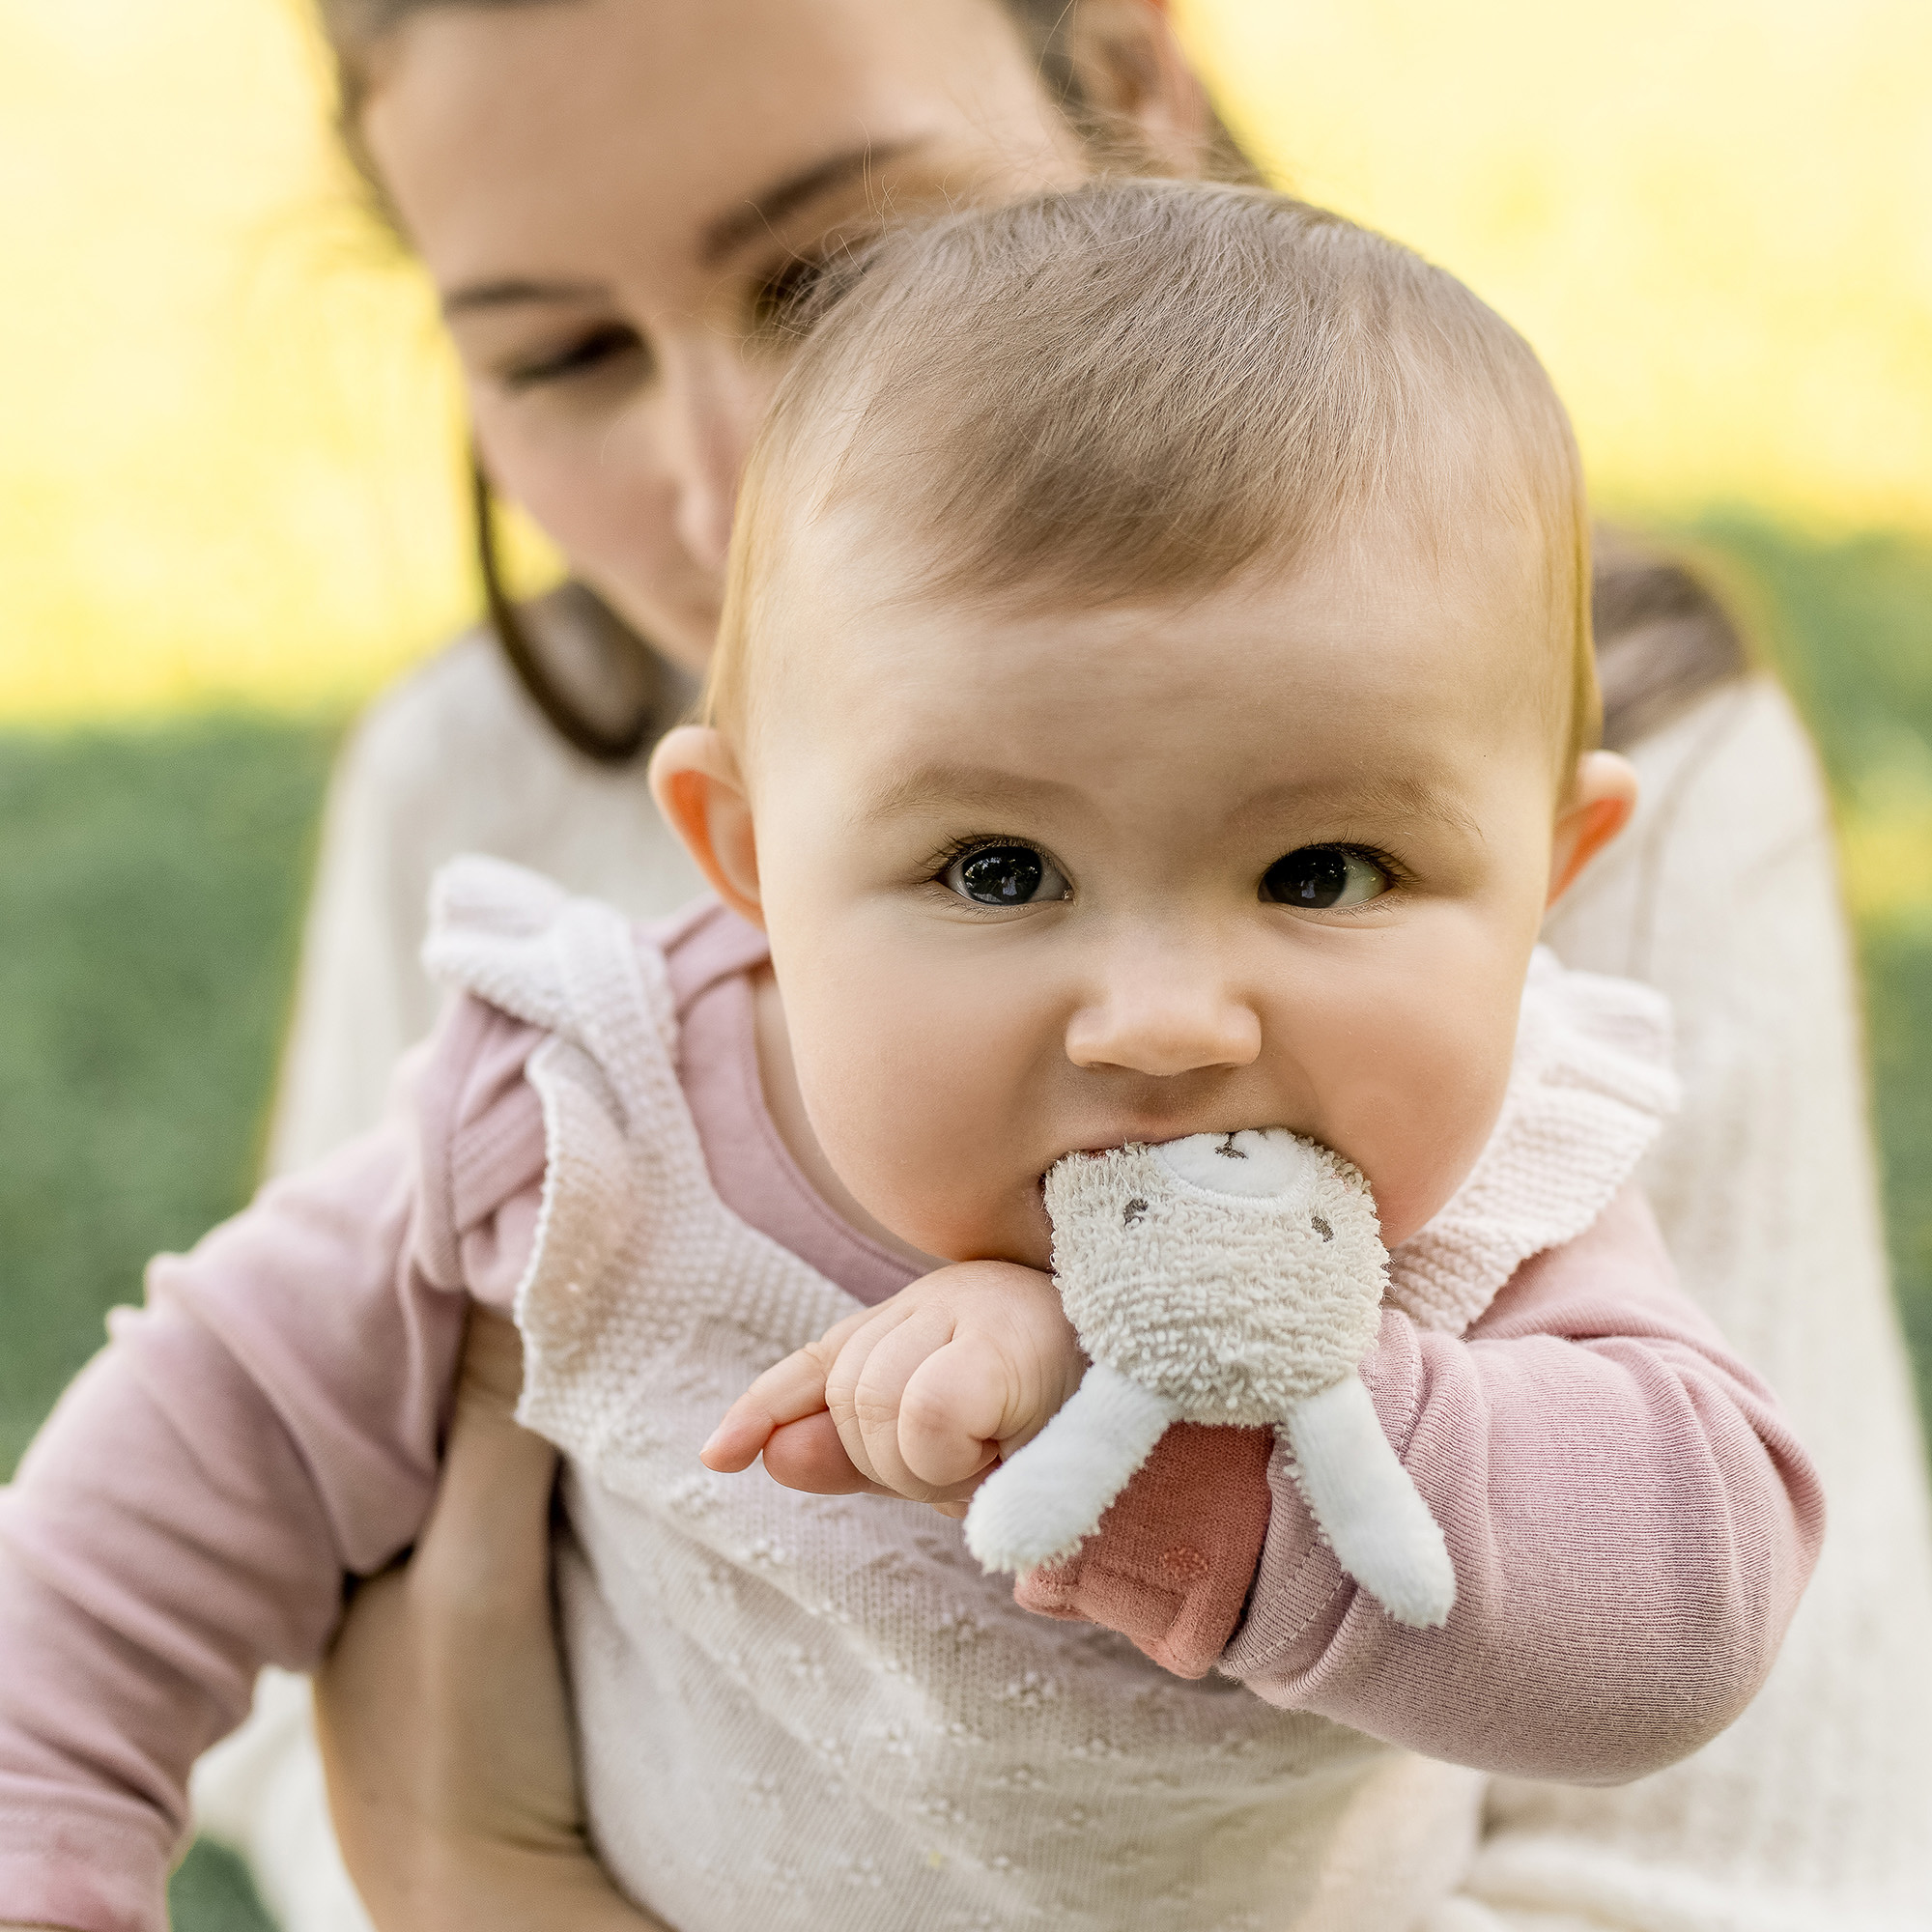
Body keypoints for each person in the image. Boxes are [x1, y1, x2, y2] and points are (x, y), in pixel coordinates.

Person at [102, 0, 1932, 1923]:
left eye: (829, 279)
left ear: (1128, 79)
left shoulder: (1545, 813)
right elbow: (308, 1550)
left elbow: (1752, 1844)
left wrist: (489, 1874)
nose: (717, 490)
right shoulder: (469, 781)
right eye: (563, 353)